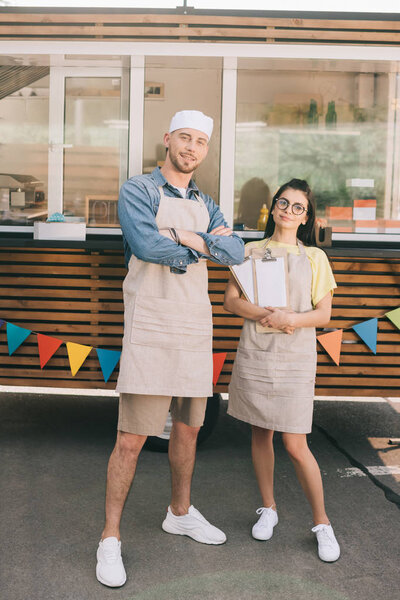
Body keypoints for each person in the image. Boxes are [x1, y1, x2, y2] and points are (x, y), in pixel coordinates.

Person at [96, 110, 244, 587]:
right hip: (152, 328)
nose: (192, 148)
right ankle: (110, 538)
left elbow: (238, 252)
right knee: (132, 438)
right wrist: (202, 247)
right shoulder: (138, 190)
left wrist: (179, 235)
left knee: (187, 431)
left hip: (193, 329)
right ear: (168, 139)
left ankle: (179, 512)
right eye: (185, 138)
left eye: (201, 141)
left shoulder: (207, 201)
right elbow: (144, 245)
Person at [224, 178, 340, 563]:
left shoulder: (315, 258)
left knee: (295, 443)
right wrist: (267, 315)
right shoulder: (249, 250)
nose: (289, 211)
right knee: (261, 433)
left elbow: (323, 315)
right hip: (257, 350)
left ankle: (322, 523)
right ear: (273, 207)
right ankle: (269, 508)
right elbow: (231, 301)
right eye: (284, 203)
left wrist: (292, 318)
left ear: (306, 216)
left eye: (298, 207)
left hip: (295, 357)